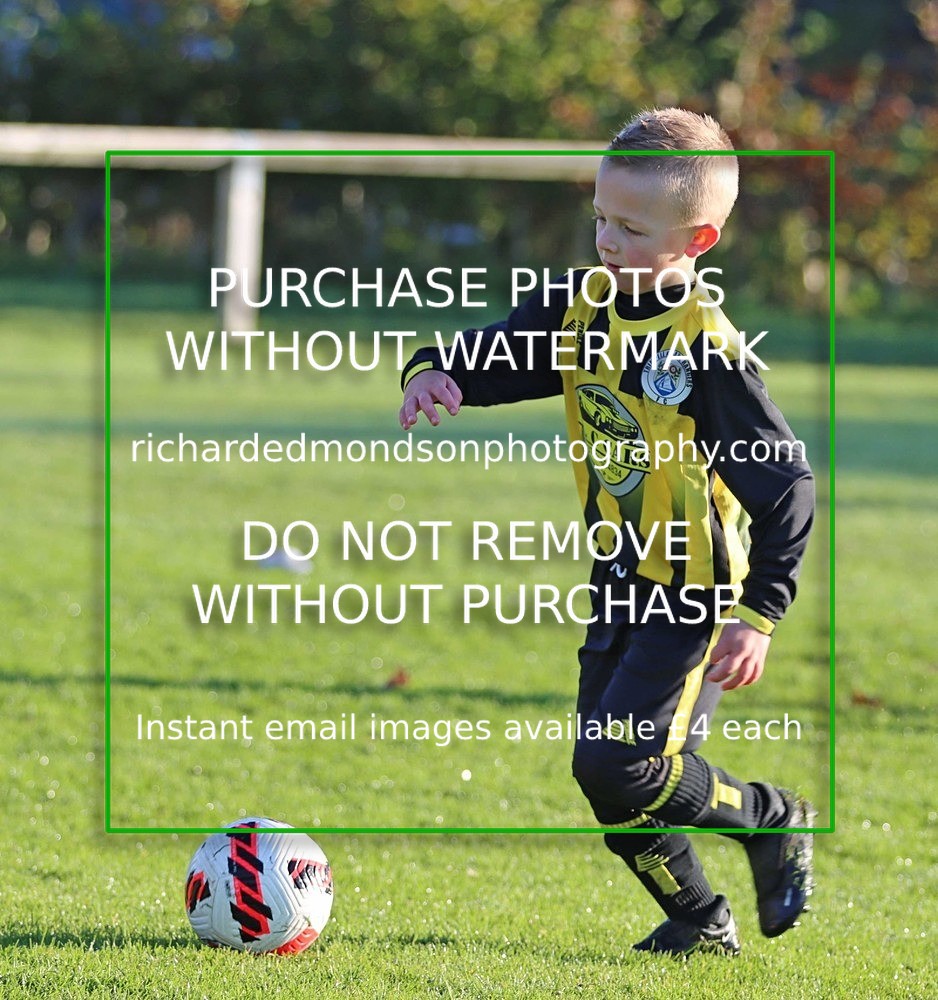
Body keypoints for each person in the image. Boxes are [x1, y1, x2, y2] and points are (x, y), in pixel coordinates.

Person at [398, 107, 815, 957]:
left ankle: (771, 819)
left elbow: (788, 489)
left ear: (697, 240)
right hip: (619, 579)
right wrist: (432, 375)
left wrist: (760, 613)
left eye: (629, 227)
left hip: (695, 594)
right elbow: (488, 356)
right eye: (599, 217)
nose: (605, 240)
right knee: (612, 785)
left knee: (619, 766)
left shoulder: (709, 354)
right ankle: (701, 921)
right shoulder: (581, 306)